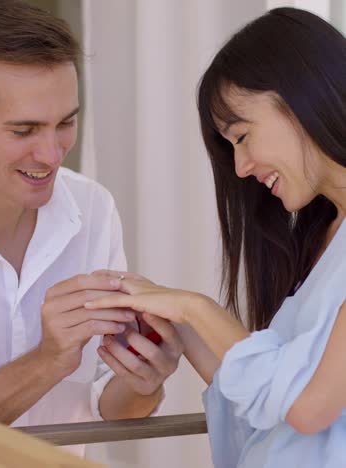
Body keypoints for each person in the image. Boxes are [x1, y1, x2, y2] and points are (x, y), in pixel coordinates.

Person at [0, 0, 183, 456]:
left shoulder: (93, 208)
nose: (53, 154)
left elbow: (112, 407)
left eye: (66, 123)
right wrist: (49, 359)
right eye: (24, 131)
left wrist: (145, 379)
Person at [84, 7, 346, 467]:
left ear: (300, 98)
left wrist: (194, 308)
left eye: (242, 136)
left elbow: (308, 407)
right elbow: (267, 399)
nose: (241, 168)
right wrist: (177, 323)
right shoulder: (323, 237)